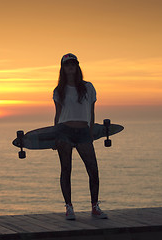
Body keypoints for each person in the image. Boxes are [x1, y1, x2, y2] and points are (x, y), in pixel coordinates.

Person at [53, 53, 107, 220]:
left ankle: (95, 206)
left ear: (77, 67)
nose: (70, 67)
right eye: (67, 64)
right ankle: (69, 207)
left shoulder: (88, 87)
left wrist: (90, 133)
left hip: (83, 132)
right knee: (66, 169)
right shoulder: (58, 90)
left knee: (93, 170)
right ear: (63, 68)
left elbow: (91, 112)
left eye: (73, 64)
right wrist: (55, 135)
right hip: (64, 132)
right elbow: (58, 114)